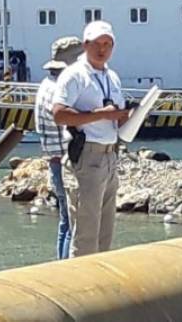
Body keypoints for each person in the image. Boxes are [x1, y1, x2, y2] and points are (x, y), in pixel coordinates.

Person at [52, 21, 129, 257]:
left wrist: (127, 117)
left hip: (110, 155)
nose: (102, 49)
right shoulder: (74, 75)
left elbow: (115, 114)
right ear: (86, 45)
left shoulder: (112, 76)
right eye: (97, 44)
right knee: (86, 233)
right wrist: (100, 115)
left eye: (107, 44)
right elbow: (58, 113)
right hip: (87, 156)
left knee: (105, 231)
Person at [35, 36, 83, 260]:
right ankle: (68, 269)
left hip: (53, 158)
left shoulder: (45, 85)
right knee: (74, 222)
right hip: (67, 160)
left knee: (65, 221)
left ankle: (60, 265)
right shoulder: (60, 91)